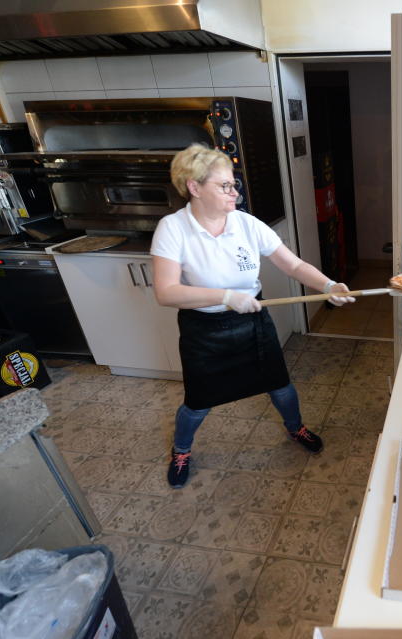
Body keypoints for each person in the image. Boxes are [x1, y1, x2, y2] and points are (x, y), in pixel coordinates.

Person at [151, 143, 355, 488]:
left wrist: (328, 285)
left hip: (252, 322)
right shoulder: (173, 228)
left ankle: (296, 428)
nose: (235, 192)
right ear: (195, 187)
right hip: (204, 329)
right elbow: (166, 292)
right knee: (198, 403)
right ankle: (181, 450)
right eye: (224, 186)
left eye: (234, 184)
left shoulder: (245, 223)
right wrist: (226, 297)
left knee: (279, 386)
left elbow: (291, 263)